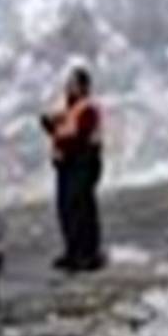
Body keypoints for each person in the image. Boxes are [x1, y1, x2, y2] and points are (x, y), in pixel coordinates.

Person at [40, 66, 105, 272]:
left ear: (82, 87)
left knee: (80, 209)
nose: (67, 88)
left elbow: (79, 137)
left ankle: (87, 254)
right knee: (66, 209)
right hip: (67, 165)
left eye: (72, 84)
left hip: (82, 163)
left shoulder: (87, 109)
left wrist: (57, 131)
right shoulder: (69, 110)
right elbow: (61, 131)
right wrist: (50, 125)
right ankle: (73, 251)